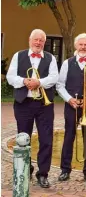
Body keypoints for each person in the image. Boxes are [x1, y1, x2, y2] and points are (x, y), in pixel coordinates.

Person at [6, 29, 59, 188]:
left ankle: (43, 174)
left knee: (46, 139)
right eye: (35, 40)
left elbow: (54, 77)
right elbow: (10, 77)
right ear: (30, 40)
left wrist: (39, 82)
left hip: (44, 104)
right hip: (23, 103)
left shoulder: (50, 58)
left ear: (44, 42)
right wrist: (24, 81)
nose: (38, 43)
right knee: (23, 138)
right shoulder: (18, 55)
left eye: (41, 40)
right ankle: (25, 168)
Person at [56, 33, 86, 182]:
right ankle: (65, 169)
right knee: (69, 136)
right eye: (81, 44)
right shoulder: (67, 63)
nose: (83, 47)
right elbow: (60, 85)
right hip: (72, 105)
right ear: (76, 45)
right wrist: (69, 99)